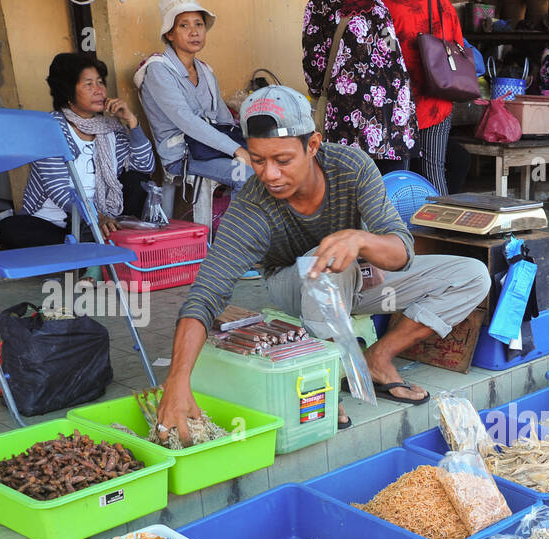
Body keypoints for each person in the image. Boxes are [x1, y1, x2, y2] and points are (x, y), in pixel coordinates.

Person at [155, 86, 490, 438]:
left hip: (359, 278)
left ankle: (376, 358)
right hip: (296, 286)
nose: (269, 174)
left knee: (472, 275)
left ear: (312, 145)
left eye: (282, 160)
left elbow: (401, 250)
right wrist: (177, 381)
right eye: (257, 160)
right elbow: (206, 294)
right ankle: (327, 377)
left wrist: (361, 239)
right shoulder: (252, 206)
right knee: (325, 259)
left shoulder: (351, 166)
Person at [0, 53, 155, 250]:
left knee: (138, 179)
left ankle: (93, 245)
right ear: (68, 92)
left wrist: (132, 123)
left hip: (109, 217)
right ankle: (91, 245)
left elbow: (145, 166)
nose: (99, 90)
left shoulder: (110, 127)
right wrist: (95, 217)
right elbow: (58, 189)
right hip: (60, 222)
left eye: (100, 83)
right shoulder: (49, 128)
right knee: (9, 229)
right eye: (89, 84)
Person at [136, 2, 251, 198]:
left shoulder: (206, 71)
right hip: (183, 155)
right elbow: (186, 120)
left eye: (199, 24)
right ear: (169, 34)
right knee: (246, 176)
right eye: (184, 25)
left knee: (274, 166)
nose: (194, 32)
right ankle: (236, 229)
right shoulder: (158, 70)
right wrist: (236, 149)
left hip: (213, 150)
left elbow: (224, 120)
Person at [301, 0, 416, 175]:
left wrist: (317, 92)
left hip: (348, 108)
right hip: (392, 113)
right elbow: (391, 50)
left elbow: (314, 62)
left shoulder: (320, 5)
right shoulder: (377, 5)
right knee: (390, 187)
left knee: (348, 186)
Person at [387, 0, 464, 194]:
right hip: (438, 97)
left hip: (398, 102)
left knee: (398, 175)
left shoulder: (387, 5)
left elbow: (385, 50)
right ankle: (442, 222)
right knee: (434, 172)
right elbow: (458, 47)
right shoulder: (444, 5)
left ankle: (398, 223)